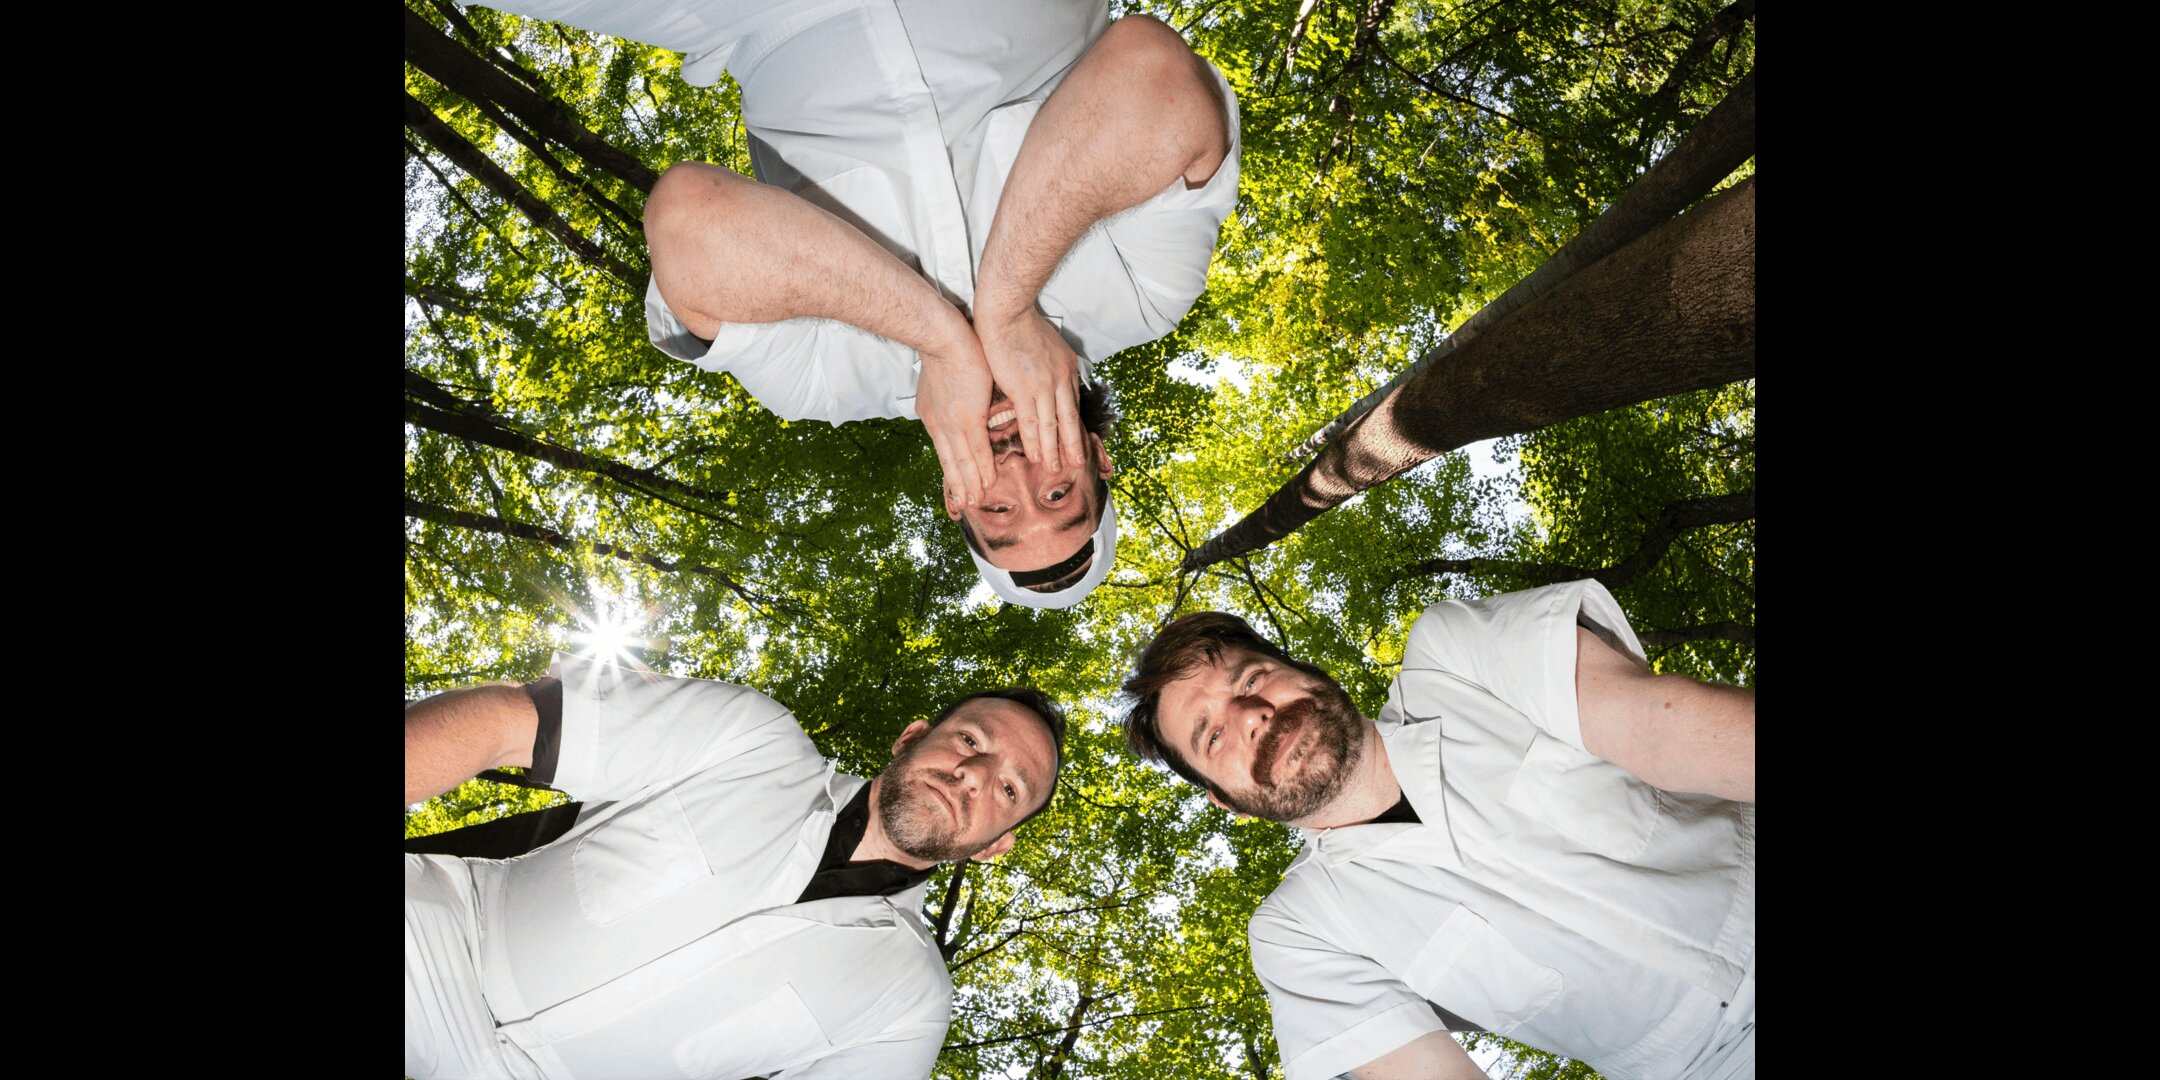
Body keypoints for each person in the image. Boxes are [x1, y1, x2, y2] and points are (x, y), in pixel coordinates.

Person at [460, 0, 1243, 607]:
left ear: (956, 498)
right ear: (1099, 460)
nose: (1017, 473)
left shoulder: (824, 387)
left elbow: (687, 217)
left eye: (1000, 514)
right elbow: (1149, 68)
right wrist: (1006, 309)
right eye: (1059, 494)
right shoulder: (1144, 299)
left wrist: (939, 339)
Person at [1119, 580, 1755, 1079]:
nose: (1250, 716)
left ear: (1305, 669)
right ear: (1225, 800)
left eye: (1251, 679)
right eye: (1212, 736)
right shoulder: (1301, 935)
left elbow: (1667, 727)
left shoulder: (1454, 659)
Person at [404, 652, 1067, 1079]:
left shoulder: (912, 1005)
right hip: (441, 940)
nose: (974, 775)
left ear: (994, 845)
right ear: (911, 738)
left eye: (1010, 789)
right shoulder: (752, 736)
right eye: (970, 739)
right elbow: (503, 723)